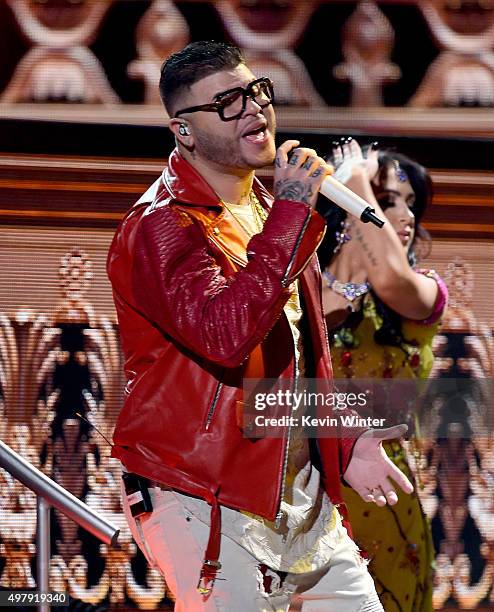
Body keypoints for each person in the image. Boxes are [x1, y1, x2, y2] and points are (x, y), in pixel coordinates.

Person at [107, 41, 414, 612]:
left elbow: (296, 361)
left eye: (255, 93)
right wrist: (293, 214)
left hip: (298, 499)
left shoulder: (272, 211)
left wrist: (345, 439)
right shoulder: (159, 228)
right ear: (184, 130)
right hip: (201, 492)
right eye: (225, 102)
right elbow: (225, 334)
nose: (252, 110)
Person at [317, 141, 448, 612]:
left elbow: (390, 279)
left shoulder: (423, 295)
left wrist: (353, 177)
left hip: (389, 511)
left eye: (412, 204)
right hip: (302, 501)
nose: (407, 216)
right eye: (389, 200)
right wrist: (351, 187)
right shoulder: (297, 290)